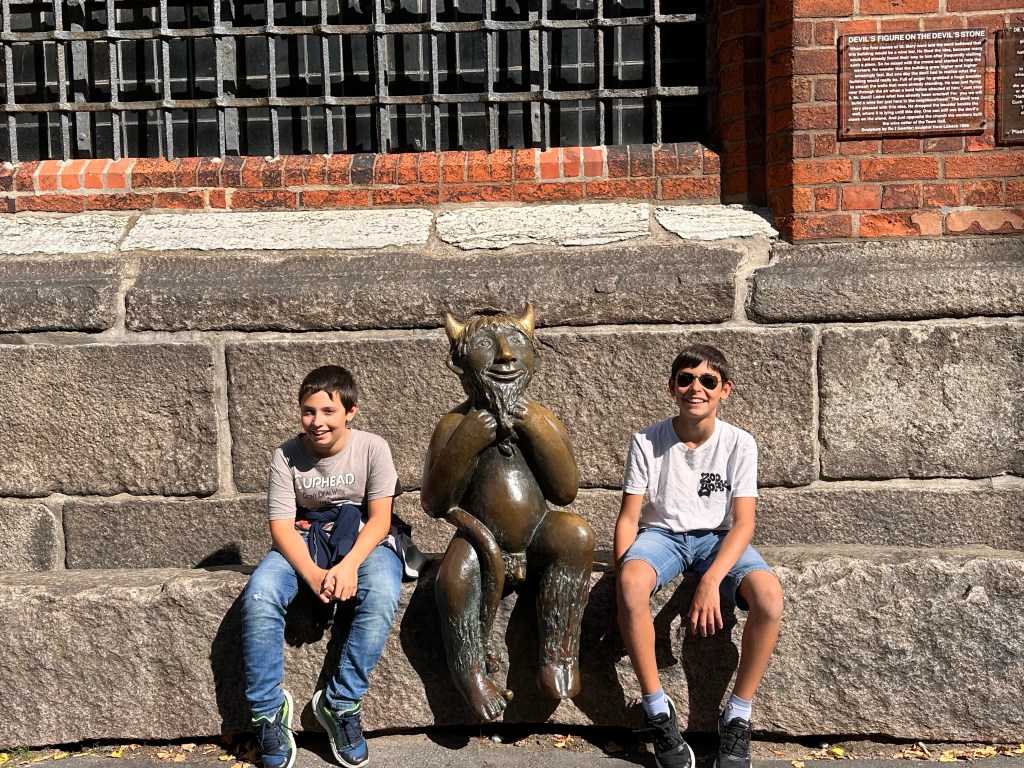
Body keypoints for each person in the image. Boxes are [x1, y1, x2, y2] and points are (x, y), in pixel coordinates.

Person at [614, 344, 784, 768]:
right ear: (672, 386)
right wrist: (624, 583)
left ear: (724, 390)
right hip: (663, 536)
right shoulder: (647, 440)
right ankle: (657, 710)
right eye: (686, 379)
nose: (697, 388)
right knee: (631, 583)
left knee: (769, 596)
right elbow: (629, 517)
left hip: (718, 539)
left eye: (708, 381)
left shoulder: (739, 443)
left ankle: (738, 715)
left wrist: (711, 581)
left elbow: (744, 523)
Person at [241, 365, 404, 768]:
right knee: (260, 594)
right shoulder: (285, 456)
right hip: (304, 539)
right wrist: (313, 575)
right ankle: (267, 713)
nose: (318, 422)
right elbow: (281, 527)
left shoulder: (373, 448)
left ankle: (341, 704)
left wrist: (348, 567)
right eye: (308, 411)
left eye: (329, 411)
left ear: (350, 411)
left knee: (383, 590)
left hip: (361, 538)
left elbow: (380, 520)